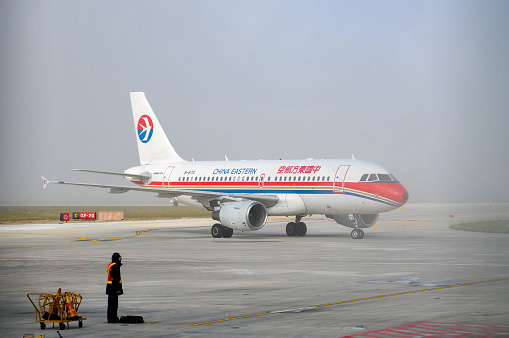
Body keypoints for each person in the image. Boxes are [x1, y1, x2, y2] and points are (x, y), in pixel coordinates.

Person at [106, 252, 123, 323]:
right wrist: (117, 289)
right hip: (113, 289)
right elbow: (115, 279)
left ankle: (111, 318)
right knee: (114, 304)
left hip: (110, 288)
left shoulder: (110, 265)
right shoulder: (115, 267)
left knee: (110, 304)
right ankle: (112, 318)